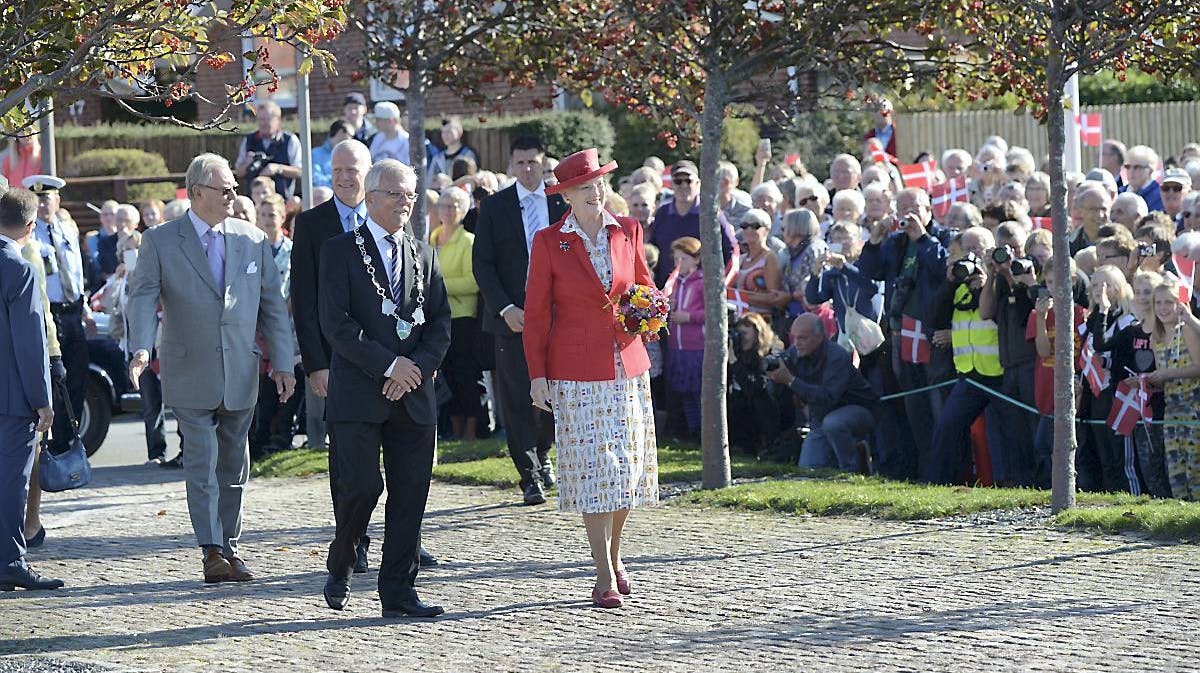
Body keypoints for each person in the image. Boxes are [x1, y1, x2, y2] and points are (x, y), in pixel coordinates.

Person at [126, 153, 296, 584]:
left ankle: (230, 543)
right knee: (201, 462)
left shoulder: (252, 239)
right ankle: (212, 550)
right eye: (225, 190)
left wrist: (283, 360)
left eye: (234, 189)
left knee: (235, 467)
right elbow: (143, 297)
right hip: (189, 369)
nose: (233, 197)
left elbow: (273, 308)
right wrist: (141, 348)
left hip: (241, 369)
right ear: (198, 192)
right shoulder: (161, 241)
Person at [523, 148, 659, 609]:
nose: (596, 193)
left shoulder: (628, 230)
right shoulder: (549, 242)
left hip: (627, 367)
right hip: (575, 372)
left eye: (600, 184)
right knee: (595, 471)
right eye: (586, 188)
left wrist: (650, 312)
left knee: (626, 470)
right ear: (566, 196)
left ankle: (616, 556)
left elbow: (644, 288)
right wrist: (537, 376)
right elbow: (537, 316)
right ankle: (602, 572)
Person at [317, 159, 451, 618]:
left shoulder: (424, 253)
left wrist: (413, 369)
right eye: (395, 194)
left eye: (411, 195)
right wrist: (389, 366)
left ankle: (397, 591)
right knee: (361, 487)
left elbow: (440, 325)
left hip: (413, 395)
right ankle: (343, 556)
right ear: (370, 198)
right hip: (359, 392)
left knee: (411, 493)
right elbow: (336, 324)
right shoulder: (339, 251)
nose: (404, 202)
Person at [292, 139, 430, 572]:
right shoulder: (317, 227)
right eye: (337, 170)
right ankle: (353, 542)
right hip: (346, 367)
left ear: (368, 174)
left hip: (406, 380)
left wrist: (411, 369)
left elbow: (433, 318)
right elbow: (308, 299)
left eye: (352, 169)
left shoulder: (416, 244)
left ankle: (405, 550)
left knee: (408, 478)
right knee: (356, 475)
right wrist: (316, 362)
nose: (343, 177)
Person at [472, 136, 568, 505]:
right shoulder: (495, 207)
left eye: (533, 162)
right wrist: (504, 308)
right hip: (511, 318)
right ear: (511, 165)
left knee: (552, 394)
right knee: (515, 397)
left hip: (558, 317)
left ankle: (543, 453)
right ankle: (528, 474)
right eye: (521, 163)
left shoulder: (561, 201)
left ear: (543, 163)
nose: (527, 169)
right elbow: (482, 263)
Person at [0, 187, 60, 592]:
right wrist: (43, 399)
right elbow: (29, 341)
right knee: (10, 482)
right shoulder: (18, 268)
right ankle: (9, 561)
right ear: (30, 226)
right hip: (10, 396)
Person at [24, 175, 92, 457]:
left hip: (73, 312)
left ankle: (68, 442)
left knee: (77, 381)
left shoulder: (67, 229)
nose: (42, 205)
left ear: (57, 201)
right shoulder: (29, 235)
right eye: (37, 199)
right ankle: (53, 444)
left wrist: (85, 308)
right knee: (54, 382)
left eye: (47, 198)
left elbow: (77, 272)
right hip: (50, 315)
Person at [768, 314, 879, 473]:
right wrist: (774, 378)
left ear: (819, 337)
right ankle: (845, 459)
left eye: (802, 338)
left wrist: (791, 381)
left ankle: (851, 471)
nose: (796, 343)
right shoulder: (795, 353)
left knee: (833, 424)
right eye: (795, 337)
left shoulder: (836, 356)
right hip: (821, 419)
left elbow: (827, 397)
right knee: (808, 472)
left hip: (858, 411)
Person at [430, 186, 485, 440]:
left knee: (466, 374)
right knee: (447, 373)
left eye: (453, 206)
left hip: (462, 317)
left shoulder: (468, 241)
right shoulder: (433, 237)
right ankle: (454, 425)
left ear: (463, 211)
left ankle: (472, 429)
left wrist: (438, 286)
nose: (448, 211)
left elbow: (473, 282)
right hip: (438, 318)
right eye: (444, 205)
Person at [1144, 278, 1200, 501]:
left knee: (1194, 466)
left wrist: (1167, 374)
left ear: (1180, 303)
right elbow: (1163, 376)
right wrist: (1149, 380)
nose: (1163, 308)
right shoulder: (1155, 338)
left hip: (1193, 406)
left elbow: (1198, 367)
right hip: (1172, 409)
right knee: (1176, 467)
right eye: (1159, 303)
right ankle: (1180, 514)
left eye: (1169, 302)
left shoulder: (1185, 330)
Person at [647, 160, 736, 287]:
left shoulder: (711, 214)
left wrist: (718, 286)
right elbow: (654, 251)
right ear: (671, 184)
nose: (683, 185)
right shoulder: (662, 213)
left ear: (698, 183)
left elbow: (731, 251)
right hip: (666, 292)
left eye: (688, 181)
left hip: (700, 293)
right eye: (678, 181)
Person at [666, 236, 705, 438]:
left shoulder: (702, 282)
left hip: (696, 346)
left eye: (683, 259)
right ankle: (692, 430)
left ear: (696, 259)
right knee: (684, 392)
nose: (678, 264)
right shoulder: (673, 283)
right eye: (676, 259)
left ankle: (703, 431)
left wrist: (689, 317)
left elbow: (712, 312)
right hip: (677, 347)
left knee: (698, 392)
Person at [235, 101, 302, 199]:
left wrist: (278, 168)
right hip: (254, 202)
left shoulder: (290, 140)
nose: (264, 123)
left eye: (268, 119)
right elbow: (238, 173)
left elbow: (300, 172)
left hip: (282, 201)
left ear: (278, 120)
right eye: (261, 119)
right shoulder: (248, 140)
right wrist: (247, 164)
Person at [1120, 145, 1164, 214]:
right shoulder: (1120, 193)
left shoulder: (1160, 195)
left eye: (1137, 167)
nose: (1131, 171)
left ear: (1150, 170)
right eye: (1128, 167)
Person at [312, 120, 354, 189]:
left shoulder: (350, 156)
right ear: (340, 132)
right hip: (325, 195)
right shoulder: (315, 154)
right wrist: (339, 181)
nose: (351, 139)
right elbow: (315, 179)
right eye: (350, 135)